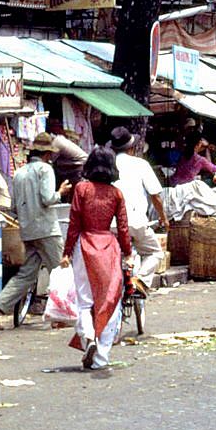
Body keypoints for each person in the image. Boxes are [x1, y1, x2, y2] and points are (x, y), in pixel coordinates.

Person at [60, 148, 131, 371]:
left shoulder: (81, 189)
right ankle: (101, 357)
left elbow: (74, 225)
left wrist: (67, 252)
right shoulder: (116, 194)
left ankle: (89, 336)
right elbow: (123, 228)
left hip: (84, 244)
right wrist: (128, 252)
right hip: (109, 247)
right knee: (110, 300)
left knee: (85, 300)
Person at [0, 132, 69, 330]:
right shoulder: (45, 169)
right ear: (47, 154)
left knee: (26, 274)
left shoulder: (20, 173)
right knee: (60, 271)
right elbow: (48, 198)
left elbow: (15, 207)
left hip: (28, 230)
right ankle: (61, 314)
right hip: (47, 229)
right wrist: (61, 192)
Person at [110, 127, 166, 288]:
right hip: (136, 222)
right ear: (131, 148)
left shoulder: (108, 164)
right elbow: (155, 195)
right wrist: (163, 218)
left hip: (111, 224)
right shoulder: (141, 164)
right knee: (154, 252)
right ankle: (140, 280)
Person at [48, 123, 89, 188]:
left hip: (79, 167)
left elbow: (50, 161)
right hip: (78, 166)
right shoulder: (60, 139)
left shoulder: (57, 142)